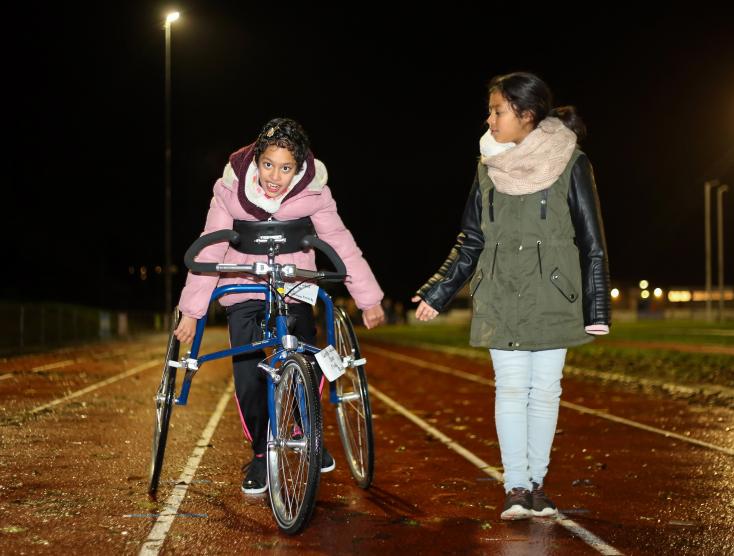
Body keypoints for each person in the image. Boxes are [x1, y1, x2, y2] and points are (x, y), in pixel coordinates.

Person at [412, 72, 611, 520]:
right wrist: (439, 291)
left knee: (545, 392)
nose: (490, 118)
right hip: (500, 293)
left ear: (526, 114)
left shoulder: (572, 162)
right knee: (510, 388)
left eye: (498, 110)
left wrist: (597, 306)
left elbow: (592, 240)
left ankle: (538, 485)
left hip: (554, 296)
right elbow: (470, 239)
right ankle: (516, 486)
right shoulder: (486, 169)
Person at [174, 117, 385, 494]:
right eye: (268, 164)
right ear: (256, 159)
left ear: (299, 168)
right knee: (249, 375)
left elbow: (339, 242)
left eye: (285, 167)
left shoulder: (315, 194)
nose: (275, 176)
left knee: (308, 352)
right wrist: (192, 311)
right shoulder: (229, 190)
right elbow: (211, 244)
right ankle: (260, 454)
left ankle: (308, 432)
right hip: (244, 286)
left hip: (293, 286)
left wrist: (367, 298)